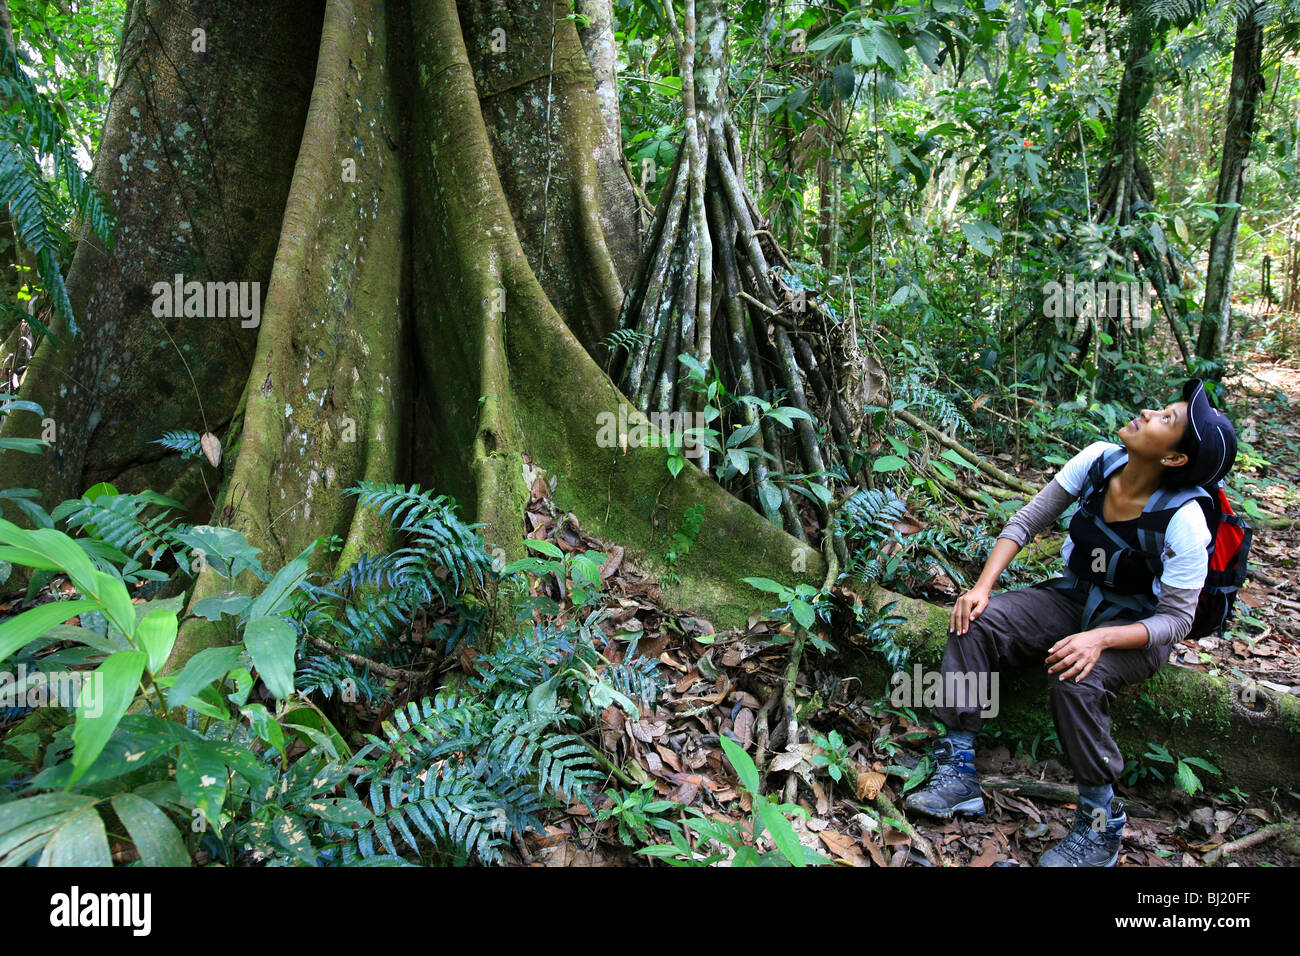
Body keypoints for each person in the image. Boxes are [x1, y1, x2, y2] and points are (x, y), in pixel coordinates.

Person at [902, 379, 1238, 867]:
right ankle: (957, 769)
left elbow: (1177, 621)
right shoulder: (1100, 460)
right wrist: (982, 587)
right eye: (1160, 408)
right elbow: (1026, 522)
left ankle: (1100, 824)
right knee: (976, 622)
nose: (1146, 411)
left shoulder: (1184, 519)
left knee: (1074, 677)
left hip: (1138, 626)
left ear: (1174, 459)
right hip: (1073, 597)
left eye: (1166, 419)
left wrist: (1099, 639)